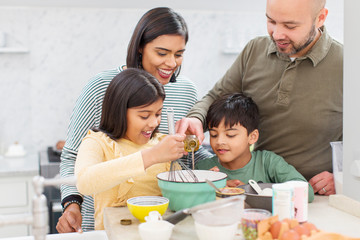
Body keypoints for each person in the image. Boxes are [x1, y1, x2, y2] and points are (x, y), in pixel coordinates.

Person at [57, 7, 212, 233]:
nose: (171, 63)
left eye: (179, 54)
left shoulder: (186, 91)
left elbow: (186, 154)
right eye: (162, 53)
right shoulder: (102, 86)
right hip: (102, 224)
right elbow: (73, 156)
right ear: (141, 47)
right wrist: (72, 204)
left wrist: (214, 165)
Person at [176, 0, 342, 197]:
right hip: (257, 192)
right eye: (271, 21)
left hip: (317, 196)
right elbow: (216, 96)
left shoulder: (347, 64)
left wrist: (341, 176)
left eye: (290, 26)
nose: (277, 34)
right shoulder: (254, 51)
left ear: (320, 18)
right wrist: (196, 118)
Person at [74, 68, 185, 230]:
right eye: (144, 116)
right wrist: (151, 156)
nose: (154, 123)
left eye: (158, 114)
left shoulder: (161, 142)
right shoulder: (97, 142)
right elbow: (84, 182)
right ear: (119, 111)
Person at [195, 93, 314, 202]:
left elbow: (306, 192)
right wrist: (211, 188)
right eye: (213, 135)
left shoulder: (268, 162)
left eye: (230, 135)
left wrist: (253, 192)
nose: (219, 141)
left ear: (252, 137)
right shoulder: (204, 169)